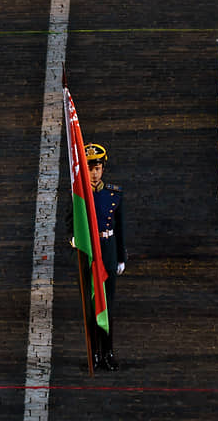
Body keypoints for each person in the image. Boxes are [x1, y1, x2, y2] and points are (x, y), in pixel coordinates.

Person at [83, 143, 126, 370]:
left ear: (103, 168)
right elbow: (70, 224)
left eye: (97, 168)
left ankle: (108, 351)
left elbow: (120, 228)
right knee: (92, 308)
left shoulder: (114, 194)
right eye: (90, 168)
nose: (94, 173)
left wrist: (120, 257)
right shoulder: (80, 195)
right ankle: (95, 354)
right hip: (90, 254)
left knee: (107, 306)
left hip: (107, 252)